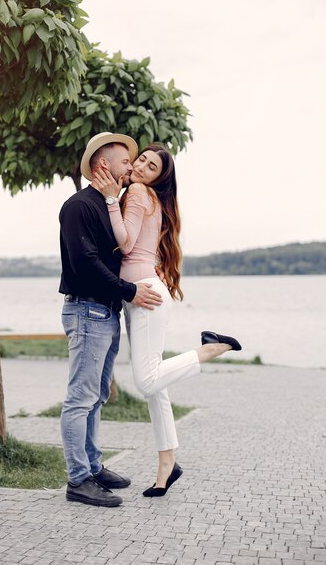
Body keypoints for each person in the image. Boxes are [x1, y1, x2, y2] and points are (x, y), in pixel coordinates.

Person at [93, 143, 242, 497]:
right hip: (145, 290)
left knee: (146, 382)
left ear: (160, 177)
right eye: (141, 159)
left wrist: (113, 200)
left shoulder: (138, 192)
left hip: (144, 292)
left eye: (151, 165)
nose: (143, 166)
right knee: (157, 389)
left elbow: (126, 244)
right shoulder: (152, 197)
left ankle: (209, 350)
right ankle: (166, 467)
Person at [59, 131, 164, 508]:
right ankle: (78, 479)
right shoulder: (78, 207)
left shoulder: (108, 203)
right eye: (125, 161)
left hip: (106, 313)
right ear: (104, 164)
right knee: (80, 398)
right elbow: (85, 264)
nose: (131, 167)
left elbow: (126, 248)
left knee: (97, 396)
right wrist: (129, 291)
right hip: (87, 309)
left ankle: (93, 465)